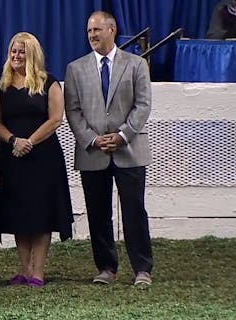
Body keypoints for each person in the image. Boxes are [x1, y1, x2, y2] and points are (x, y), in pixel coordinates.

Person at [64, 11, 154, 287]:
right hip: (93, 153)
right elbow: (73, 111)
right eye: (89, 31)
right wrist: (92, 139)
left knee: (134, 210)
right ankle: (106, 267)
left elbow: (143, 105)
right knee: (98, 211)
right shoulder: (75, 69)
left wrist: (123, 135)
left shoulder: (137, 64)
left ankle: (142, 268)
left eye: (97, 30)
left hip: (130, 151)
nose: (92, 35)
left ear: (112, 30)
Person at [0, 32, 73, 288]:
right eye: (13, 51)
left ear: (32, 54)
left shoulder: (50, 83)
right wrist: (14, 141)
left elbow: (56, 118)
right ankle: (24, 270)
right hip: (11, 156)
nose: (16, 56)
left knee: (41, 214)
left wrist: (30, 141)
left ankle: (38, 271)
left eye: (21, 51)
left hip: (43, 157)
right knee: (18, 214)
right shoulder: (0, 86)